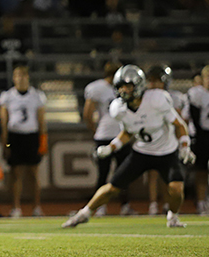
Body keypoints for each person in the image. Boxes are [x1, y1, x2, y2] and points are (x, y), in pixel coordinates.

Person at [63, 65, 194, 229]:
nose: (123, 90)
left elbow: (180, 124)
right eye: (120, 87)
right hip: (142, 151)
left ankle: (173, 217)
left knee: (176, 188)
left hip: (166, 151)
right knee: (112, 187)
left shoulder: (157, 99)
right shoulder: (119, 108)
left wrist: (184, 146)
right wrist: (110, 147)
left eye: (128, 86)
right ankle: (83, 214)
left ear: (138, 85)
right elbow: (128, 132)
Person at [84, 61, 135, 216]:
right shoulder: (97, 88)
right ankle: (101, 206)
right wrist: (95, 129)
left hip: (120, 135)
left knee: (122, 173)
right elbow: (88, 113)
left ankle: (122, 205)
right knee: (104, 173)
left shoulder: (122, 87)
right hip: (106, 136)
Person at [0, 63, 47, 217]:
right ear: (13, 78)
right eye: (17, 76)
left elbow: (41, 121)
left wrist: (43, 141)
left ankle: (37, 207)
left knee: (34, 173)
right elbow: (4, 123)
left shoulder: (37, 96)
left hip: (31, 136)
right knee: (15, 173)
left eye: (22, 76)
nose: (20, 79)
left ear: (27, 77)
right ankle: (16, 207)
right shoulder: (7, 96)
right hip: (14, 137)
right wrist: (6, 143)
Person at [146, 65, 190, 216]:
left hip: (169, 139)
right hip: (151, 138)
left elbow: (179, 121)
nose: (153, 84)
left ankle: (167, 204)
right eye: (151, 81)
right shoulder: (146, 96)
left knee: (168, 176)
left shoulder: (174, 97)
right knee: (152, 174)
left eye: (157, 81)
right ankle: (153, 204)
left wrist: (182, 142)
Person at [187, 65, 209, 215]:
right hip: (203, 135)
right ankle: (201, 202)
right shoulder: (197, 94)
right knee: (201, 170)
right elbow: (194, 119)